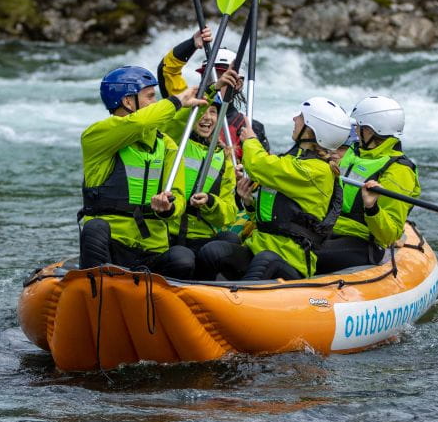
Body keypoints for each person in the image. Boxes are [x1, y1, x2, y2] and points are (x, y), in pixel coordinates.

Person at [197, 90, 350, 281]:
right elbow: (276, 217)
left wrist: (251, 140)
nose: (294, 119)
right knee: (213, 251)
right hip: (259, 247)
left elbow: (259, 165)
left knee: (265, 260)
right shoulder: (293, 160)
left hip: (290, 260)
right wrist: (249, 203)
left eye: (301, 117)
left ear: (312, 130)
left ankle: (243, 304)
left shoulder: (316, 171)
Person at [78, 65, 206, 278]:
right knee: (95, 228)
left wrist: (169, 208)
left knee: (182, 258)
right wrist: (176, 101)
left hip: (152, 251)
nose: (155, 103)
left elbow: (179, 195)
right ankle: (95, 290)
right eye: (150, 97)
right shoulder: (96, 136)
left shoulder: (166, 144)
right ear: (128, 101)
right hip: (113, 247)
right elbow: (138, 123)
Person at [314, 96, 421, 272]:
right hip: (329, 230)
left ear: (371, 130)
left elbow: (389, 234)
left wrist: (372, 207)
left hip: (364, 243)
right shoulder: (353, 153)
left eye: (359, 126)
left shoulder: (398, 170)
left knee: (301, 253)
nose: (355, 130)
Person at [156, 28, 268, 160]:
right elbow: (167, 70)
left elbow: (262, 169)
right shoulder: (188, 108)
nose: (216, 82)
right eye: (209, 77)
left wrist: (246, 178)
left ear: (238, 85)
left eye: (223, 78)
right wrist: (192, 44)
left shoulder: (251, 128)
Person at [161, 96, 239, 256]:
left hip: (202, 236)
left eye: (213, 112)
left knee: (230, 240)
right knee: (182, 258)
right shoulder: (174, 141)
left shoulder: (223, 157)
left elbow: (230, 214)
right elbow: (174, 122)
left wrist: (210, 201)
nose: (208, 117)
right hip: (167, 233)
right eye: (202, 111)